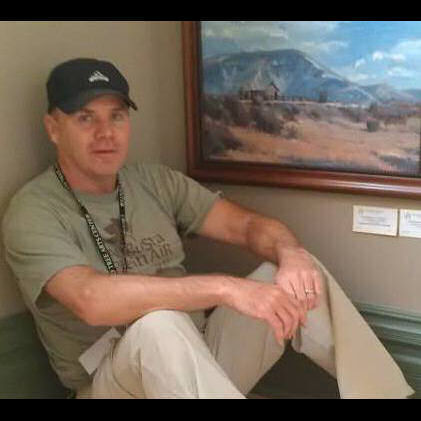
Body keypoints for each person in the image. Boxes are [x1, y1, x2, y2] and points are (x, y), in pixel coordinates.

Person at [2, 58, 414, 399]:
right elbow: (89, 299)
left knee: (294, 275)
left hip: (199, 361)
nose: (105, 133)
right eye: (85, 118)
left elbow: (249, 226)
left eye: (117, 116)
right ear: (53, 128)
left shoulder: (153, 182)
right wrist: (226, 288)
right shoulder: (33, 210)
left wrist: (291, 254)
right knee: (159, 325)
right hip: (111, 383)